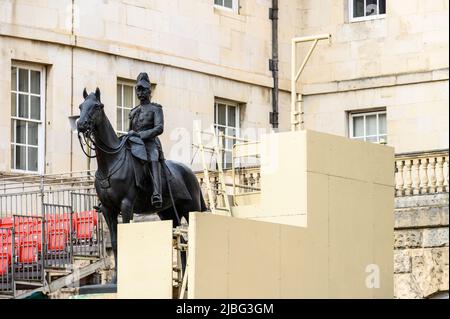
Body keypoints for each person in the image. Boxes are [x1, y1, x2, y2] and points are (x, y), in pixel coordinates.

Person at [128, 72, 164, 208]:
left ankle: (157, 193)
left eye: (143, 89)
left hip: (150, 143)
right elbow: (130, 130)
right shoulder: (133, 111)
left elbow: (159, 128)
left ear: (149, 91)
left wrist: (141, 135)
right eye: (138, 89)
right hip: (133, 143)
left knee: (153, 159)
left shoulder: (156, 109)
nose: (140, 93)